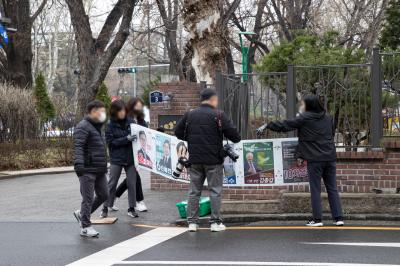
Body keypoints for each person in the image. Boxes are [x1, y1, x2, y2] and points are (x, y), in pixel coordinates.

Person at [257, 94, 343, 227]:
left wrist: (268, 125)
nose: (301, 106)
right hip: (330, 157)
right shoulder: (327, 118)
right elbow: (330, 134)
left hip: (315, 159)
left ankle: (317, 219)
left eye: (303, 104)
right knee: (332, 188)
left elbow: (286, 125)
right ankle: (338, 218)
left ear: (308, 105)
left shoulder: (305, 118)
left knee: (315, 189)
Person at [175, 88, 241, 232]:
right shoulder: (219, 115)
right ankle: (215, 223)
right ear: (212, 100)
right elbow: (235, 136)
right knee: (215, 191)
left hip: (195, 160)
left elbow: (177, 132)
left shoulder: (190, 115)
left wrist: (191, 139)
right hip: (214, 160)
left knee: (194, 191)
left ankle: (192, 223)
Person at [73, 100, 109, 237]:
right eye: (101, 111)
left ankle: (82, 215)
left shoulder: (98, 127)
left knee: (104, 194)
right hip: (87, 168)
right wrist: (79, 165)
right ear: (93, 111)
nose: (103, 114)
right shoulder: (83, 126)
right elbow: (78, 147)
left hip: (99, 169)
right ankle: (85, 226)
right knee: (87, 198)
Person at [100, 100, 139, 219]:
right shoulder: (110, 125)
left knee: (132, 183)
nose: (122, 113)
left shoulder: (131, 122)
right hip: (116, 158)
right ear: (114, 112)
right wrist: (126, 139)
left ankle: (131, 208)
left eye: (123, 110)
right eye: (119, 111)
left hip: (130, 158)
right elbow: (111, 143)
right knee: (111, 184)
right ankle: (106, 207)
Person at [113, 97, 148, 212]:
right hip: (126, 152)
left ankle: (114, 196)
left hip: (137, 152)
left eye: (141, 106)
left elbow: (145, 132)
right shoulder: (126, 118)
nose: (140, 108)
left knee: (131, 178)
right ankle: (139, 201)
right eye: (138, 105)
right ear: (132, 105)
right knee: (135, 177)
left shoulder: (140, 118)